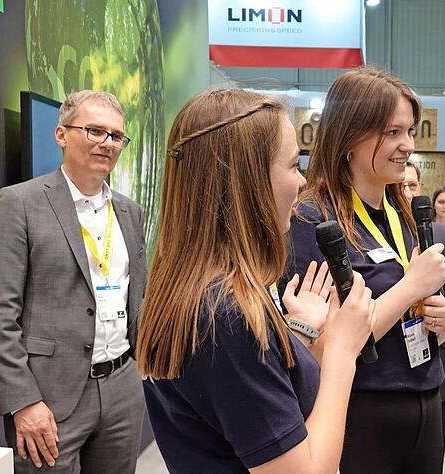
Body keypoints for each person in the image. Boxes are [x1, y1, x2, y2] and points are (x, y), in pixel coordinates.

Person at [137, 88, 375, 473]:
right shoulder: (225, 315)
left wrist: (297, 339)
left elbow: (242, 399)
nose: (301, 183)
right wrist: (342, 353)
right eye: (293, 165)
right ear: (248, 180)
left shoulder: (194, 292)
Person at [285, 67, 445, 474]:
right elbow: (329, 344)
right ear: (350, 138)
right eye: (392, 133)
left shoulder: (407, 214)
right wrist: (411, 285)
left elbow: (416, 307)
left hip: (427, 395)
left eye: (410, 131)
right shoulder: (313, 221)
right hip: (361, 407)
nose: (407, 145)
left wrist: (439, 322)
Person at [0, 90, 146, 472]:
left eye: (116, 136)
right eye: (94, 131)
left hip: (121, 387)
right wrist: (22, 401)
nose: (107, 143)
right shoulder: (18, 203)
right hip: (48, 397)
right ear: (61, 135)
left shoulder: (129, 212)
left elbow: (137, 296)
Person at [403, 161, 445, 442]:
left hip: (437, 369)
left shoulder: (442, 236)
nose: (406, 192)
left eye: (411, 185)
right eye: (399, 185)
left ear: (420, 189)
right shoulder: (370, 237)